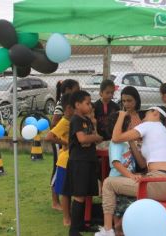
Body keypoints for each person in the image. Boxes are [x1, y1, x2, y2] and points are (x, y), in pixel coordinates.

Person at [95, 106, 166, 236]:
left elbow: (116, 138)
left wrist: (121, 116)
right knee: (137, 180)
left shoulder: (149, 125)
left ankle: (107, 231)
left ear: (155, 113)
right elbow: (142, 163)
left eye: (145, 115)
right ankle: (120, 226)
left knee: (108, 183)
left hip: (160, 185)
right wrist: (130, 139)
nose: (142, 119)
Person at [64, 90, 103, 236]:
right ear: (77, 104)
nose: (90, 105)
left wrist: (94, 128)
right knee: (79, 194)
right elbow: (82, 139)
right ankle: (73, 230)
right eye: (87, 103)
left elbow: (93, 136)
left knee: (87, 193)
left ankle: (82, 224)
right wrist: (95, 137)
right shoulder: (76, 120)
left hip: (89, 160)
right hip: (79, 161)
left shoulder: (86, 120)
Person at [105, 112, 143, 236]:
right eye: (129, 126)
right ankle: (116, 229)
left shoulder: (125, 142)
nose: (132, 128)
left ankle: (119, 228)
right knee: (118, 210)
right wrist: (131, 175)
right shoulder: (116, 143)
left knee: (125, 209)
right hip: (117, 179)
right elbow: (116, 163)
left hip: (125, 178)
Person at [50, 79, 80, 210]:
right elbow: (53, 125)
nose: (78, 91)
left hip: (68, 145)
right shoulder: (63, 105)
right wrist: (64, 136)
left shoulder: (72, 103)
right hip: (60, 144)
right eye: (76, 89)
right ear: (68, 90)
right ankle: (55, 201)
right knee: (58, 171)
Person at [45, 94, 73, 226]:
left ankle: (72, 215)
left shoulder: (76, 120)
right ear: (69, 108)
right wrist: (64, 142)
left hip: (75, 161)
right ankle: (66, 218)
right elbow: (49, 137)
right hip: (64, 162)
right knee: (65, 191)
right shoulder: (64, 122)